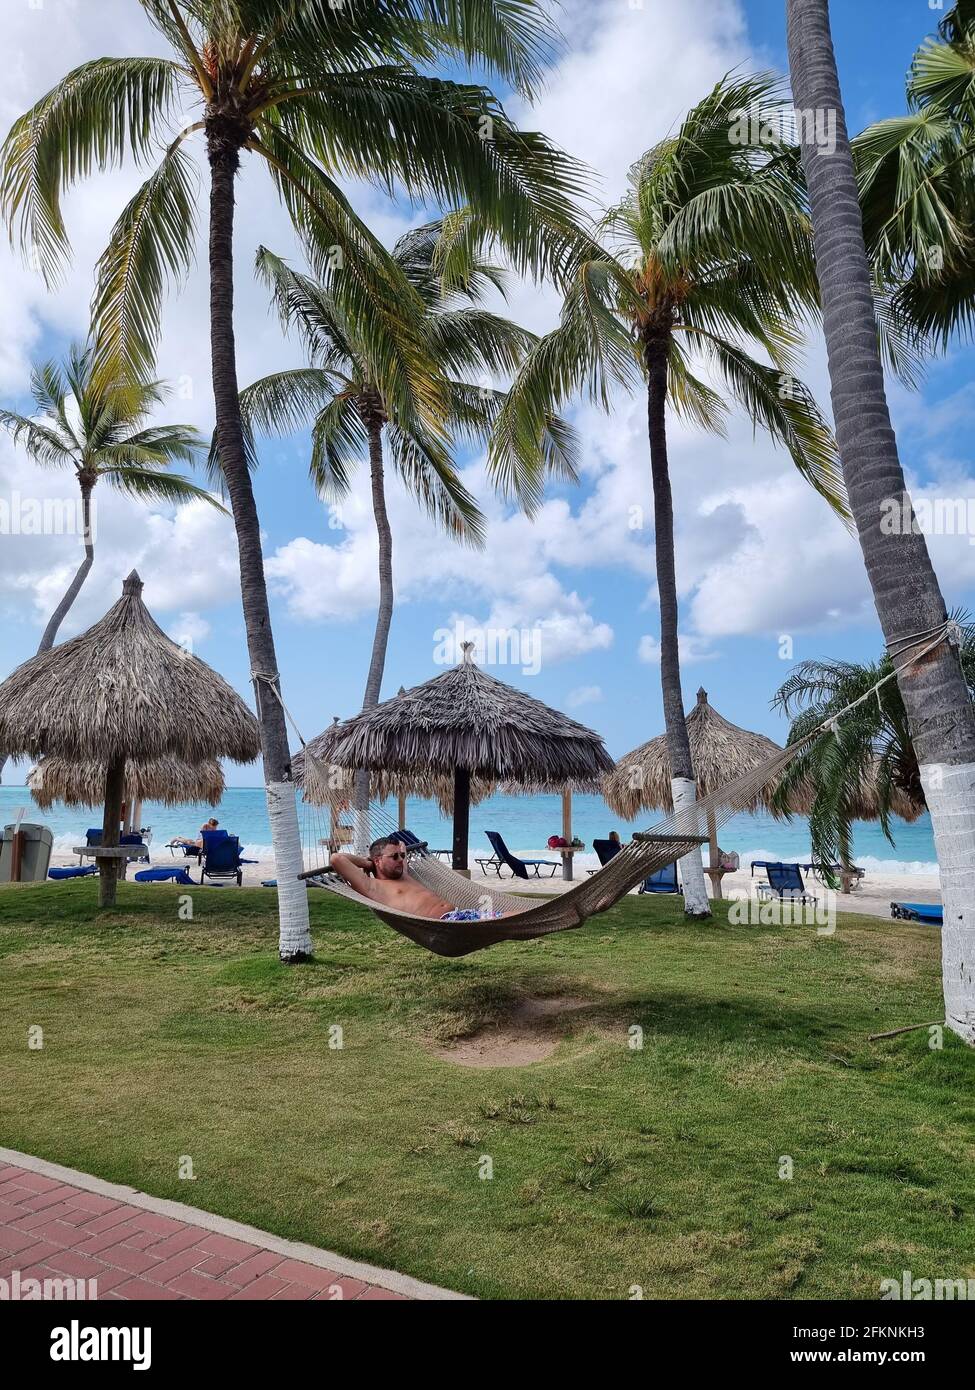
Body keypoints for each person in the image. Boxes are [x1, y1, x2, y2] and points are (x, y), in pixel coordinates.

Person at [330, 837, 516, 921]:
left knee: (511, 915)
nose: (401, 860)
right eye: (394, 857)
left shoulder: (403, 874)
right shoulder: (372, 886)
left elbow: (402, 845)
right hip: (448, 924)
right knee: (510, 918)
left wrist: (394, 855)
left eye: (401, 856)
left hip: (460, 916)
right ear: (378, 860)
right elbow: (337, 859)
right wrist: (368, 863)